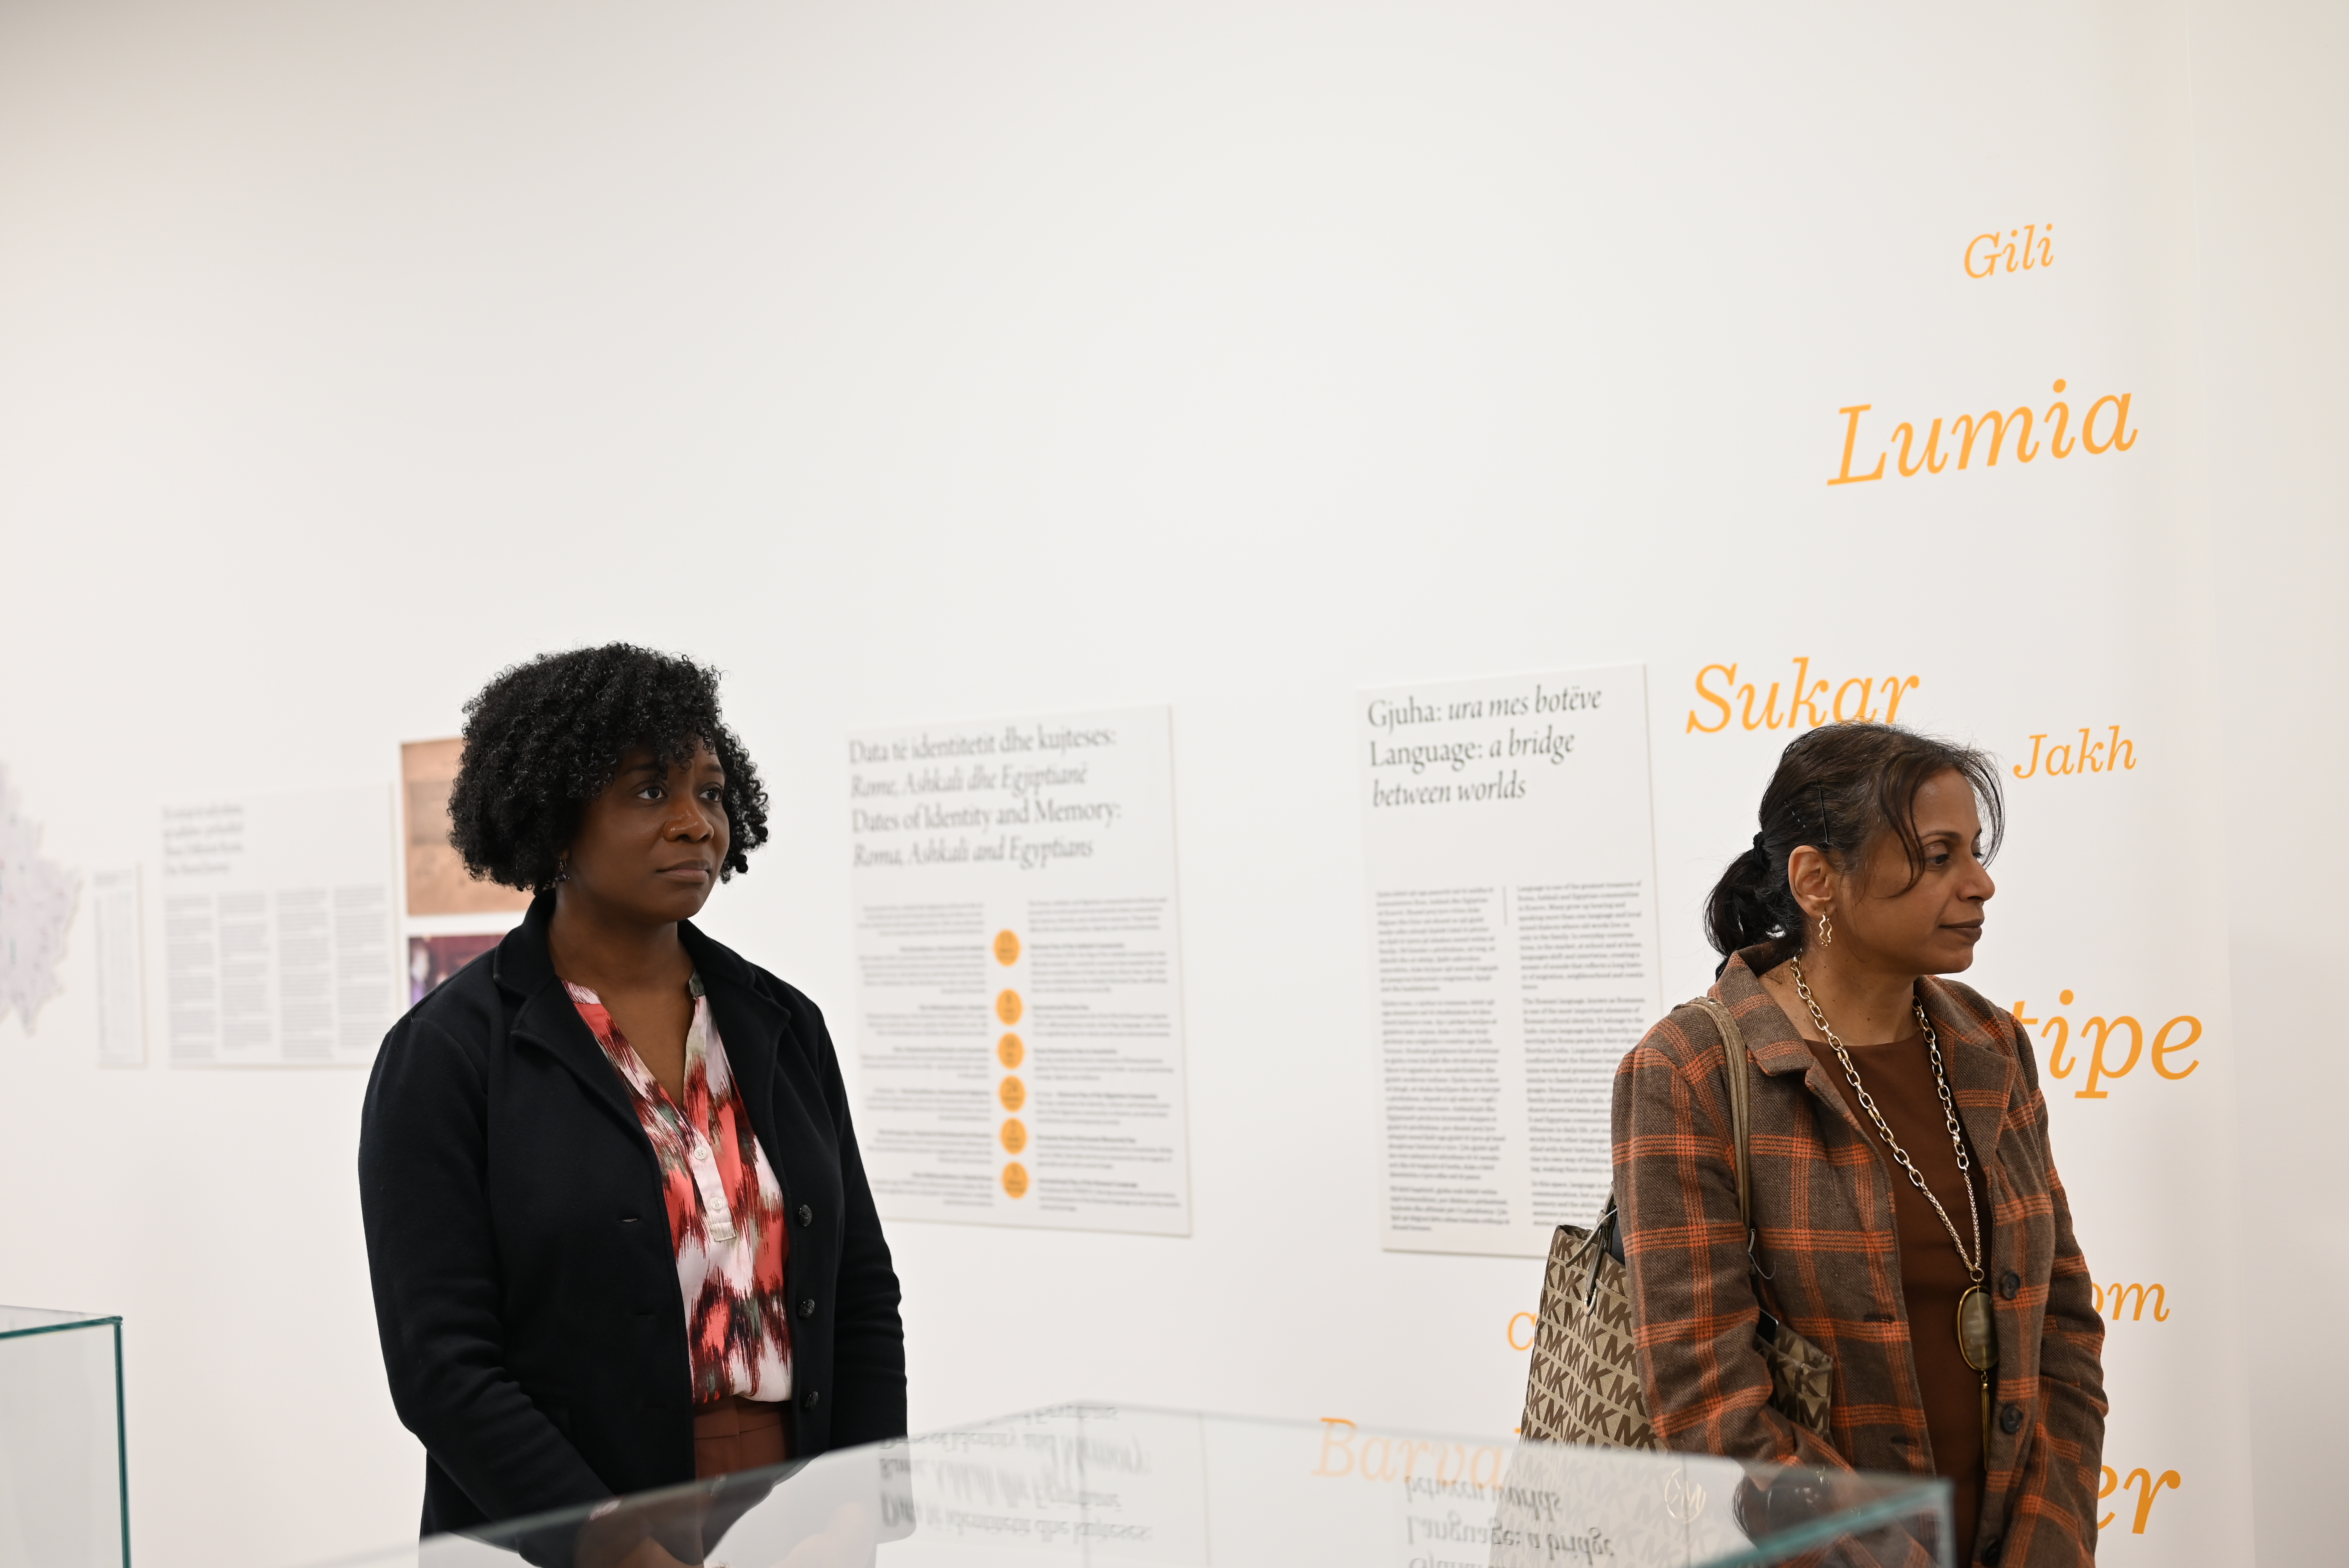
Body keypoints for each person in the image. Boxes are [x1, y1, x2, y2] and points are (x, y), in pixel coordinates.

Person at [359, 645, 906, 1541]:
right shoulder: (446, 1054)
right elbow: (441, 1366)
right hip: (563, 1530)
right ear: (554, 823)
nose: (695, 823)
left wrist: (859, 1507)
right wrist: (610, 1545)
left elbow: (859, 1288)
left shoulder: (783, 1024)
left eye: (710, 791)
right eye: (651, 791)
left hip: (795, 1509)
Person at [1613, 723, 2104, 1566]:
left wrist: (2045, 1548)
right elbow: (1710, 1404)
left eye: (1975, 852)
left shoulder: (1991, 1044)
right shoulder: (1689, 1070)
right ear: (1816, 880)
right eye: (1938, 856)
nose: (1980, 883)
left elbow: (2061, 1325)